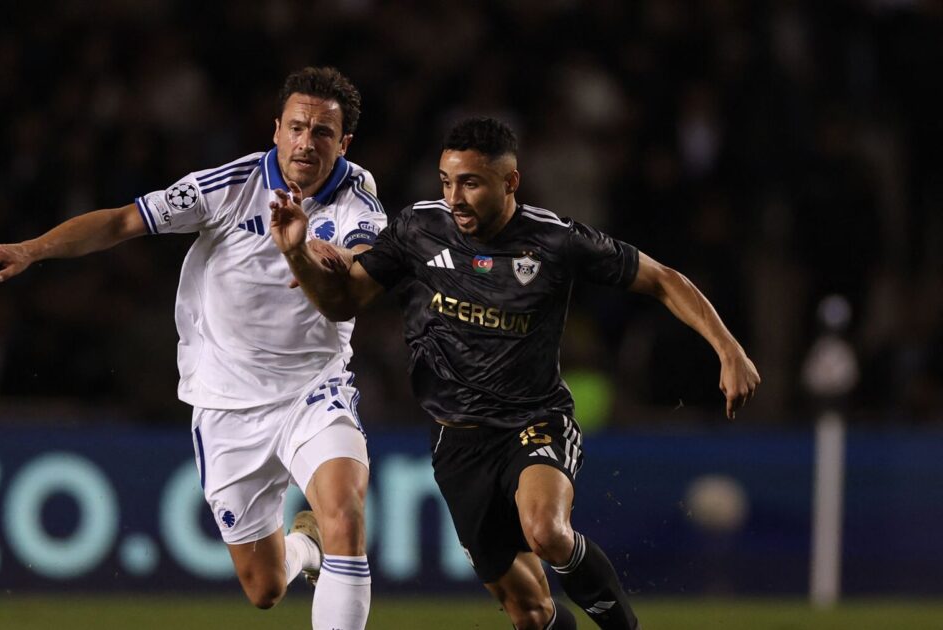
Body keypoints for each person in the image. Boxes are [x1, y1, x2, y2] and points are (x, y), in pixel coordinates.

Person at [271, 117, 760, 630]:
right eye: (446, 181)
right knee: (531, 611)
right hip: (456, 442)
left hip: (534, 420)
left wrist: (728, 350)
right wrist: (298, 255)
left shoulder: (555, 240)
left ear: (510, 183)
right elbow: (343, 300)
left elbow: (662, 280)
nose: (454, 197)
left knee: (546, 530)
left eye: (471, 183)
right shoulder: (418, 228)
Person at [0, 67, 384, 630]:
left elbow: (349, 289)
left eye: (323, 132)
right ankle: (304, 547)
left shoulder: (359, 199)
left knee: (345, 516)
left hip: (314, 387)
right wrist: (32, 250)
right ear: (275, 129)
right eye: (297, 127)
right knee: (265, 587)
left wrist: (306, 253)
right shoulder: (227, 186)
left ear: (343, 142)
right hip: (227, 402)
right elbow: (122, 221)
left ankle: (324, 540)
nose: (307, 142)